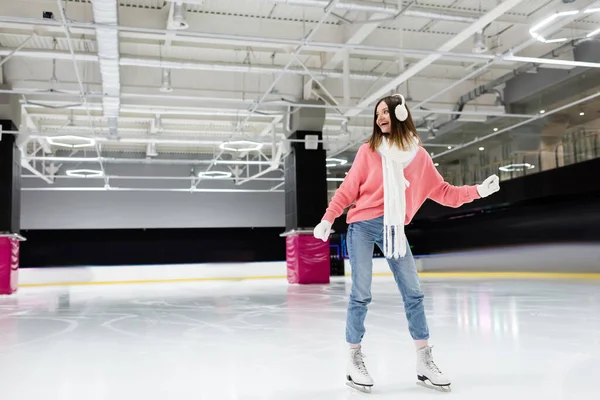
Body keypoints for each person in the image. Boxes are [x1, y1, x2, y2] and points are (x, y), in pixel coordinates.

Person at [313, 94, 500, 393]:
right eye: (377, 114)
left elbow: (445, 192)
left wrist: (478, 191)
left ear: (400, 113)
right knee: (361, 293)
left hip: (394, 228)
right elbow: (348, 190)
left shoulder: (419, 157)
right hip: (361, 226)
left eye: (385, 112)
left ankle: (424, 361)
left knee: (413, 293)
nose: (380, 118)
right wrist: (328, 218)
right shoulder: (369, 151)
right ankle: (353, 359)